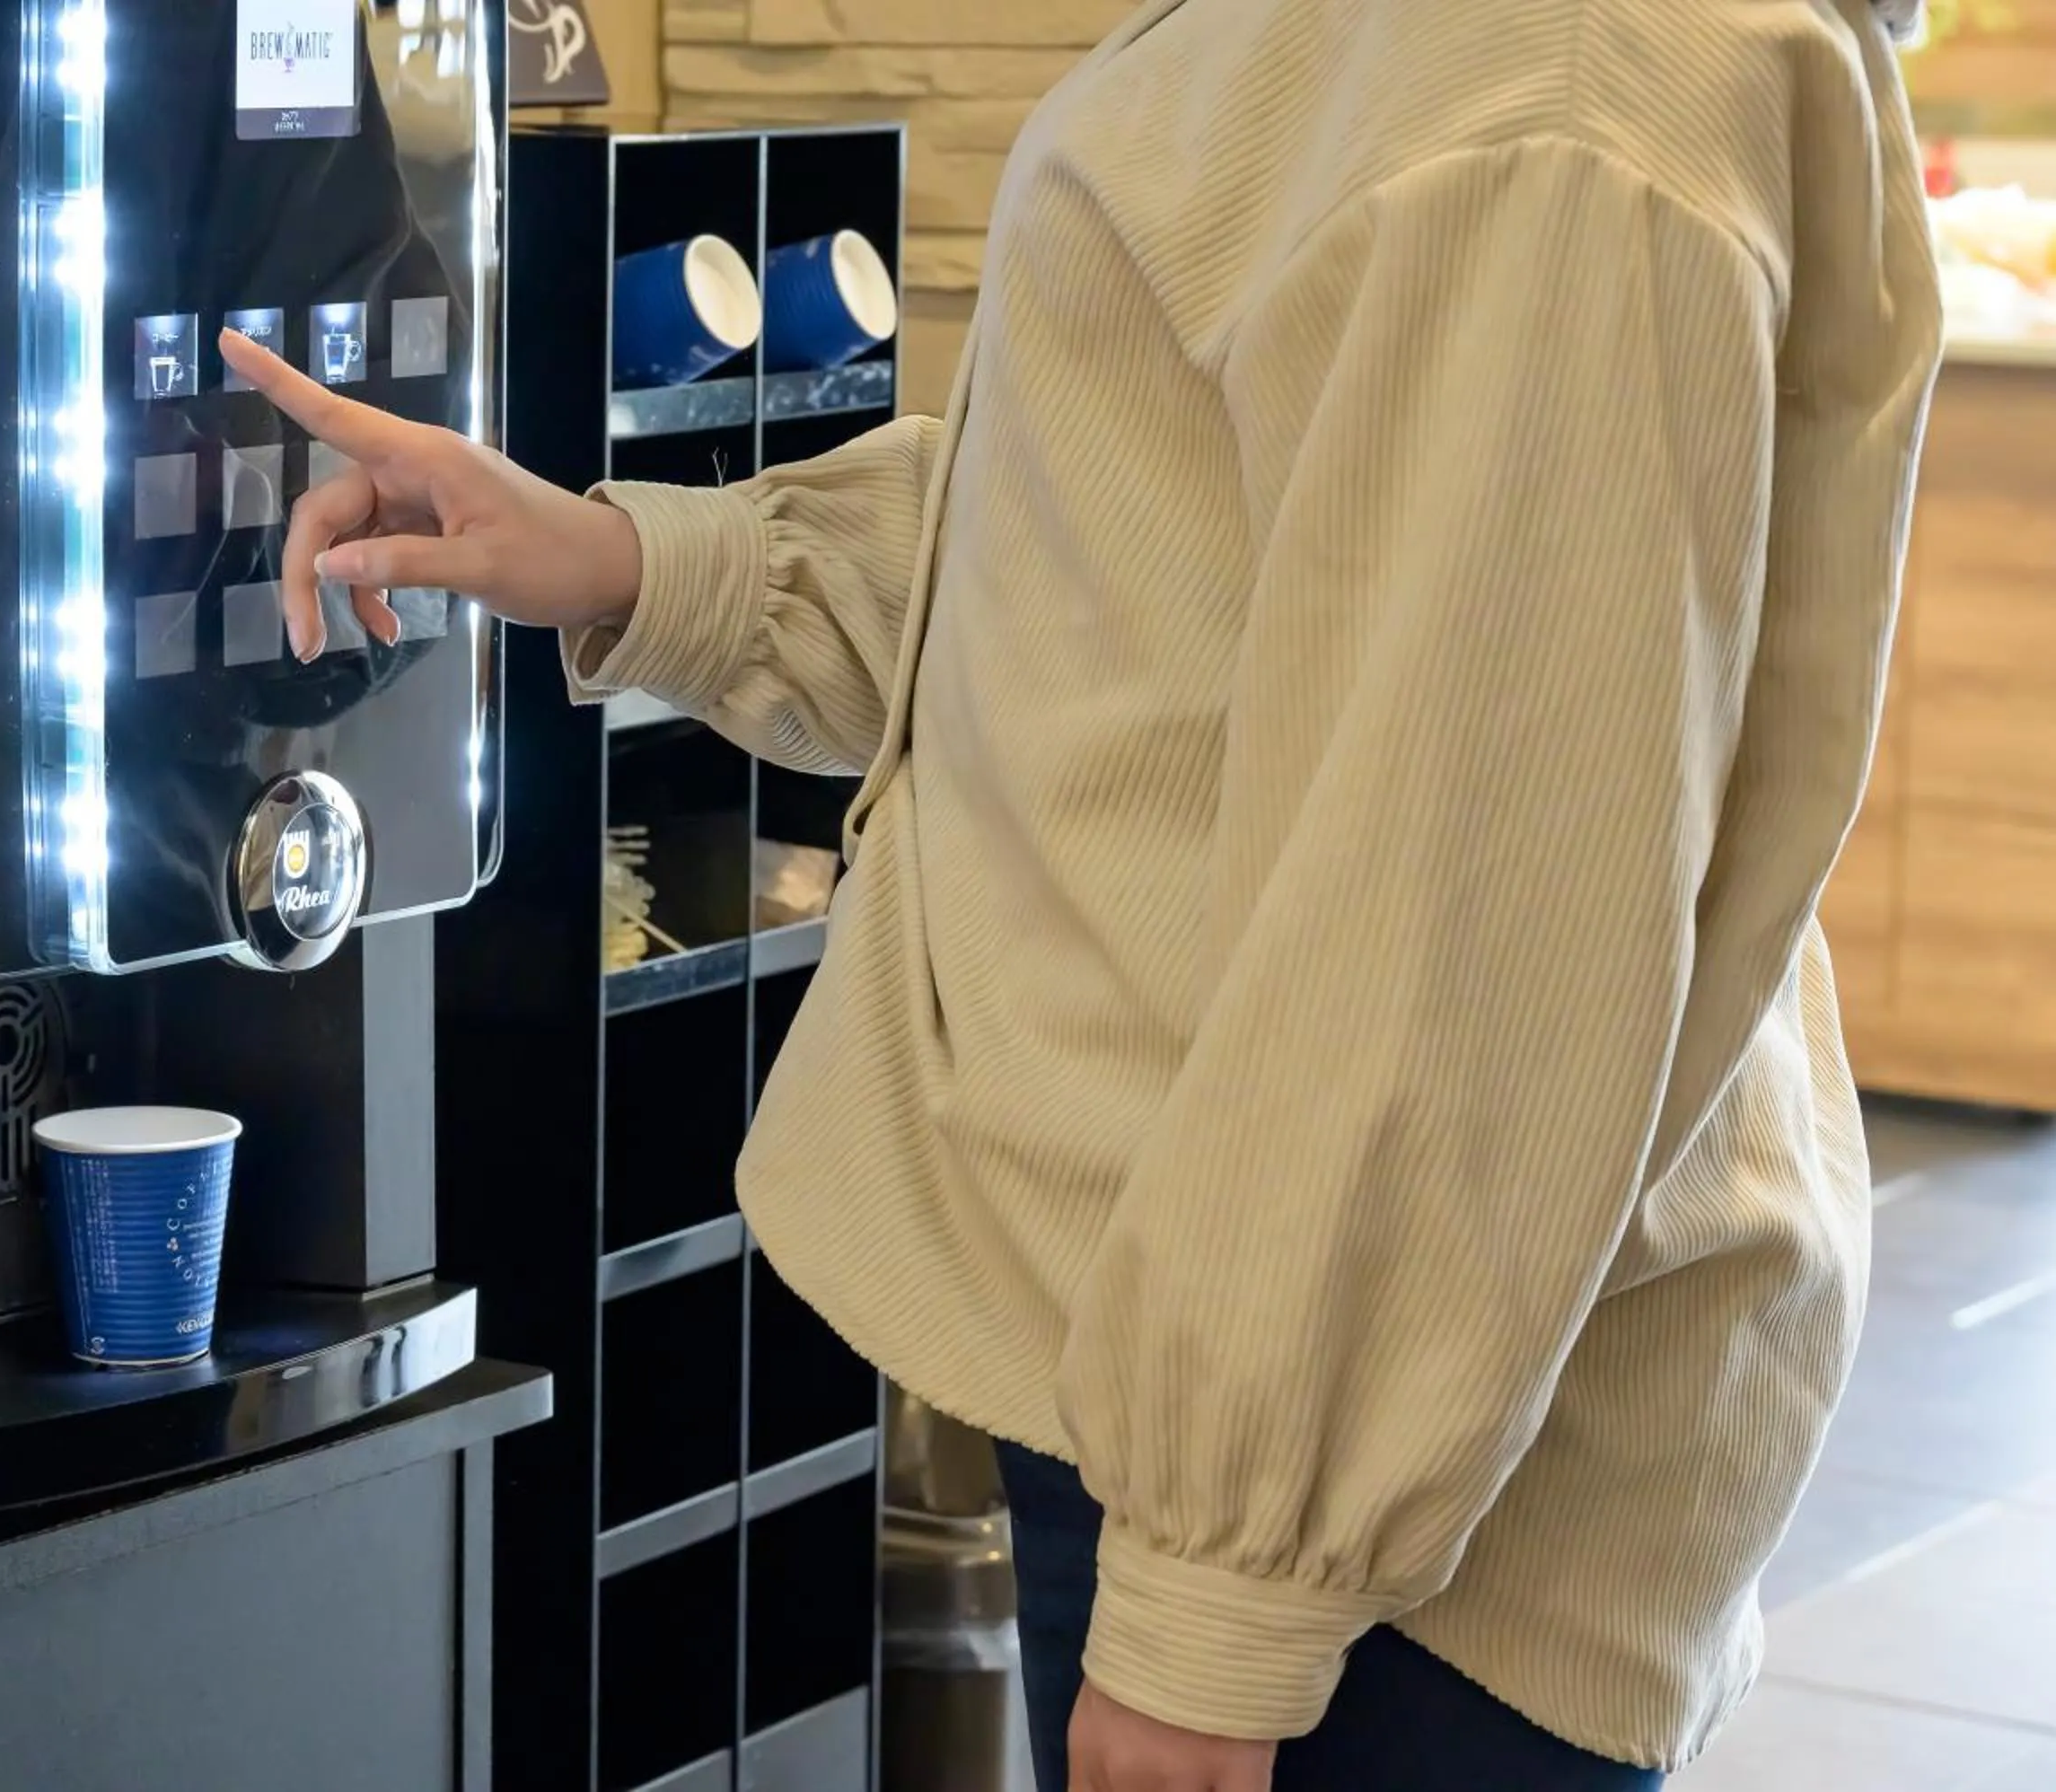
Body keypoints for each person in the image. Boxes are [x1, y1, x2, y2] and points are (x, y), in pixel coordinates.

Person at [220, 0, 1939, 1781]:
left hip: (1382, 1511)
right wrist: (646, 556)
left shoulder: (1549, 82)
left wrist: (1226, 1594)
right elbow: (1152, 546)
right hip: (1244, 1376)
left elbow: (1462, 921)